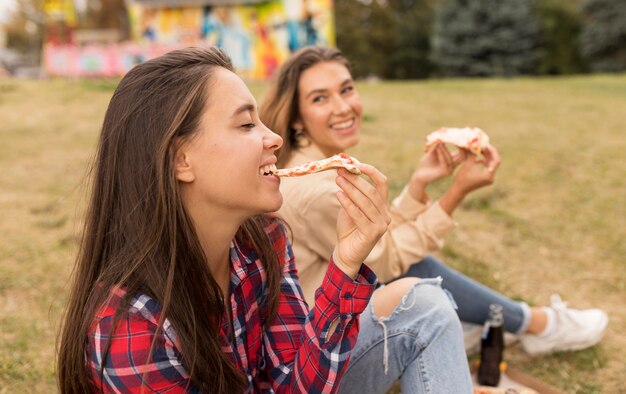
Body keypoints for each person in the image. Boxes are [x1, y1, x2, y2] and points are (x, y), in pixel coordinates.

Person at [57, 47, 396, 393]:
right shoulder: (135, 329)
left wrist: (345, 263)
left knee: (423, 304)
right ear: (181, 160)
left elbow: (293, 387)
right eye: (247, 124)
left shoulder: (265, 241)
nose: (275, 138)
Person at [260, 45, 608, 362]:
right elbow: (389, 263)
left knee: (415, 267)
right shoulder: (318, 190)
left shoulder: (314, 165)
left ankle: (500, 319)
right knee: (417, 271)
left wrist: (418, 184)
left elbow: (377, 241)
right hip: (317, 349)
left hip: (326, 314)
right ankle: (535, 324)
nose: (343, 107)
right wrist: (454, 194)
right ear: (296, 118)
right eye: (320, 99)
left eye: (347, 89)